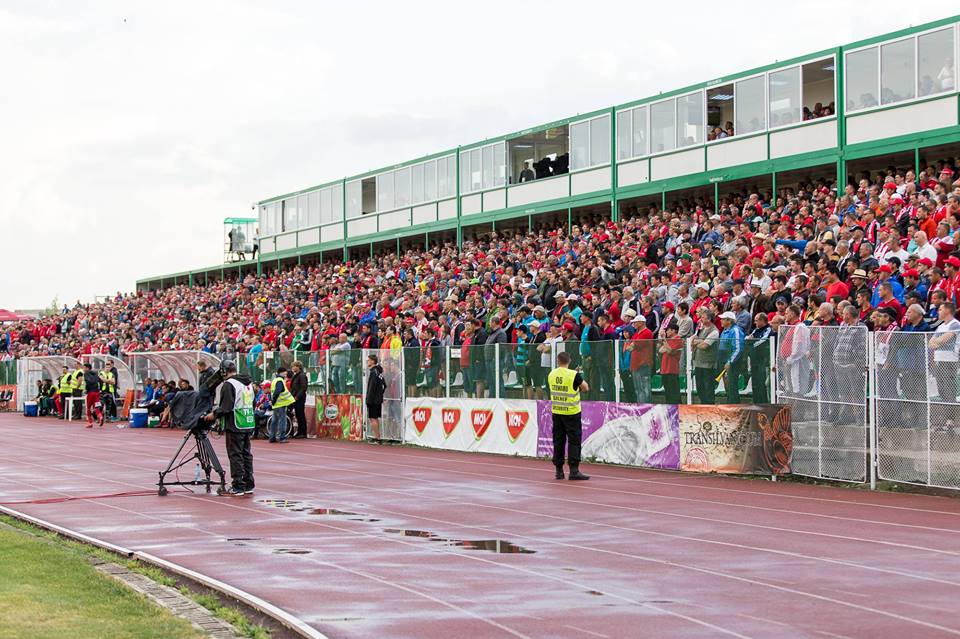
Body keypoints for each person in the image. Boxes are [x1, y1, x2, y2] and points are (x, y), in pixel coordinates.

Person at [205, 360, 255, 496]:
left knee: (235, 454)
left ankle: (238, 486)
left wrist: (213, 415)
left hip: (235, 423)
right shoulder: (248, 383)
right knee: (246, 454)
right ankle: (248, 484)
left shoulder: (229, 384)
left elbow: (226, 407)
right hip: (247, 421)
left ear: (223, 371)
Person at [548, 351, 590, 481]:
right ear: (569, 361)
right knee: (574, 441)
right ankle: (574, 470)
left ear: (557, 361)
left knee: (558, 441)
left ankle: (559, 471)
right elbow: (585, 388)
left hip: (557, 412)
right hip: (572, 412)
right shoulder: (573, 374)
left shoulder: (551, 374)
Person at [718, 311, 746, 404]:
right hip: (724, 362)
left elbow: (738, 348)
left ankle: (735, 406)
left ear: (729, 321)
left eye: (723, 319)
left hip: (732, 364)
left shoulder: (736, 331)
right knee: (728, 387)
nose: (721, 320)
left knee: (732, 386)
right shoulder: (724, 331)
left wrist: (730, 362)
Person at [267, 367, 295, 443]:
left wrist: (273, 401)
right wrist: (274, 401)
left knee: (274, 421)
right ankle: (282, 437)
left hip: (276, 404)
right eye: (285, 373)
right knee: (282, 421)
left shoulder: (274, 380)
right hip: (281, 404)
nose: (286, 375)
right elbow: (277, 392)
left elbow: (273, 392)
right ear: (281, 373)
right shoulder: (280, 381)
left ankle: (272, 437)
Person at [365, 354, 387, 442]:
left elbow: (372, 387)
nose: (367, 361)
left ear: (373, 361)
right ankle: (377, 436)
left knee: (372, 418)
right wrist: (380, 395)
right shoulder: (379, 372)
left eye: (369, 360)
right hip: (378, 399)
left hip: (373, 399)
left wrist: (369, 399)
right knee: (375, 417)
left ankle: (377, 438)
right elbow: (384, 385)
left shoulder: (374, 372)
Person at [290, 361, 308, 438]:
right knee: (297, 415)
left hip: (299, 398)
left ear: (298, 367)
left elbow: (303, 387)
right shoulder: (295, 376)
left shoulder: (302, 376)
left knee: (301, 415)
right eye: (292, 366)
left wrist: (297, 396)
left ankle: (303, 432)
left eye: (294, 366)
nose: (293, 368)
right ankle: (299, 431)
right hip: (294, 398)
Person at [81, 363, 102, 428]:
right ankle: (100, 416)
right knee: (96, 406)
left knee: (88, 408)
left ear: (87, 368)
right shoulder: (95, 373)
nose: (83, 369)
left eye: (84, 368)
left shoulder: (86, 373)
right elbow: (101, 381)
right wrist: (100, 389)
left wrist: (86, 390)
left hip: (90, 393)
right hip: (97, 393)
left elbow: (88, 382)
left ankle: (90, 423)